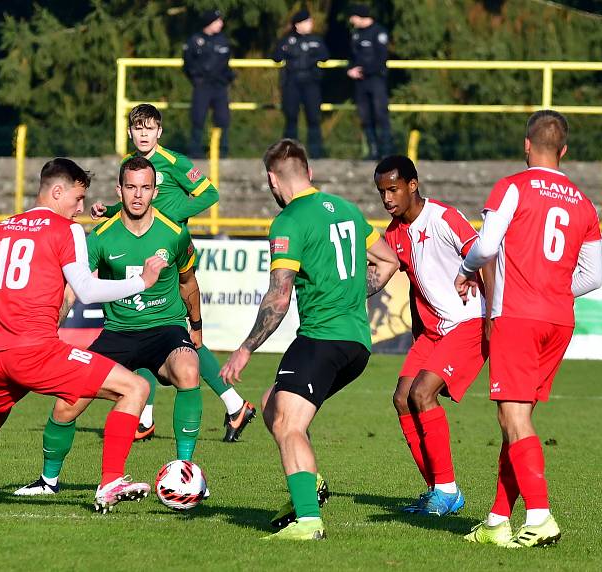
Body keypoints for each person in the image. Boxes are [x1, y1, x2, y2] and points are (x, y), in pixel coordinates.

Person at [0, 158, 166, 513]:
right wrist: (142, 282)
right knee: (136, 388)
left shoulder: (1, 229)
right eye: (78, 197)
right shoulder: (65, 229)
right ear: (57, 192)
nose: (81, 208)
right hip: (38, 352)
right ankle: (110, 481)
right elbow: (85, 290)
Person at [220, 139, 400, 541]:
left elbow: (278, 297)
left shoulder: (289, 221)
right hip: (357, 344)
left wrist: (246, 348)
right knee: (271, 404)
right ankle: (310, 483)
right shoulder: (349, 211)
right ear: (310, 173)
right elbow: (389, 261)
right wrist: (352, 293)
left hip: (323, 338)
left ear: (271, 179)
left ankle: (308, 521)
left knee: (288, 422)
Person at [15, 157, 206, 498]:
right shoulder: (100, 236)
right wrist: (50, 330)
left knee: (189, 371)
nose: (137, 195)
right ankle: (47, 482)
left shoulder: (175, 232)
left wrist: (197, 327)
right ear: (119, 190)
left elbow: (188, 282)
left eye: (145, 188)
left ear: (154, 191)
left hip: (165, 328)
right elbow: (74, 288)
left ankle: (184, 472)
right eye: (130, 187)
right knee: (68, 403)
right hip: (117, 331)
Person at [455, 110, 602, 548]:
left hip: (517, 316)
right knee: (516, 421)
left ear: (526, 145)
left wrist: (466, 268)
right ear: (564, 151)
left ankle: (540, 518)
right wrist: (555, 289)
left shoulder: (512, 187)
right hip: (559, 319)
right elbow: (593, 277)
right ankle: (498, 520)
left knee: (513, 418)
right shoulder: (583, 201)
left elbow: (485, 245)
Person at [92, 104, 256, 445]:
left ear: (159, 132)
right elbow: (129, 206)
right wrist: (106, 211)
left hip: (169, 249)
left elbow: (210, 193)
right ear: (130, 132)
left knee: (163, 328)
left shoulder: (174, 161)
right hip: (140, 245)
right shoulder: (128, 165)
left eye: (149, 129)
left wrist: (168, 213)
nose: (143, 134)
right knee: (143, 325)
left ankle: (156, 416)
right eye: (138, 129)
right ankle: (225, 405)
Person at [376, 155, 491, 516]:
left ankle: (447, 489)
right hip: (432, 332)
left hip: (468, 322)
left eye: (393, 189)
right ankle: (438, 489)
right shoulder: (392, 235)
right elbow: (413, 287)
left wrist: (492, 319)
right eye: (381, 192)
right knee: (401, 397)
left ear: (413, 185)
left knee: (423, 393)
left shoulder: (443, 217)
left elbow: (484, 255)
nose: (387, 198)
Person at [271, 9, 329, 159]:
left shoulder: (316, 40)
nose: (311, 24)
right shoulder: (287, 39)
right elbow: (276, 56)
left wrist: (311, 58)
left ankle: (316, 152)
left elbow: (325, 56)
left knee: (313, 118)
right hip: (292, 83)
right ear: (298, 24)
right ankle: (289, 152)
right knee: (291, 118)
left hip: (311, 84)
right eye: (307, 22)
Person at [183, 9, 234, 158]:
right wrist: (196, 79)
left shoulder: (223, 40)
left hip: (219, 86)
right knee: (198, 117)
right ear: (209, 22)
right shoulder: (194, 40)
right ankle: (195, 150)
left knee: (223, 118)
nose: (221, 24)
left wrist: (227, 78)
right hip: (202, 86)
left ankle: (222, 151)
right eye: (217, 21)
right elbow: (187, 64)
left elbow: (226, 64)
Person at [347, 4, 392, 160]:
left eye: (352, 17)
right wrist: (350, 70)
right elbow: (352, 57)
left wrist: (365, 70)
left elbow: (381, 58)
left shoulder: (379, 32)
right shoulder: (355, 34)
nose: (351, 20)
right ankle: (373, 151)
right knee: (365, 116)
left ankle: (386, 151)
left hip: (376, 79)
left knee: (381, 114)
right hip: (360, 82)